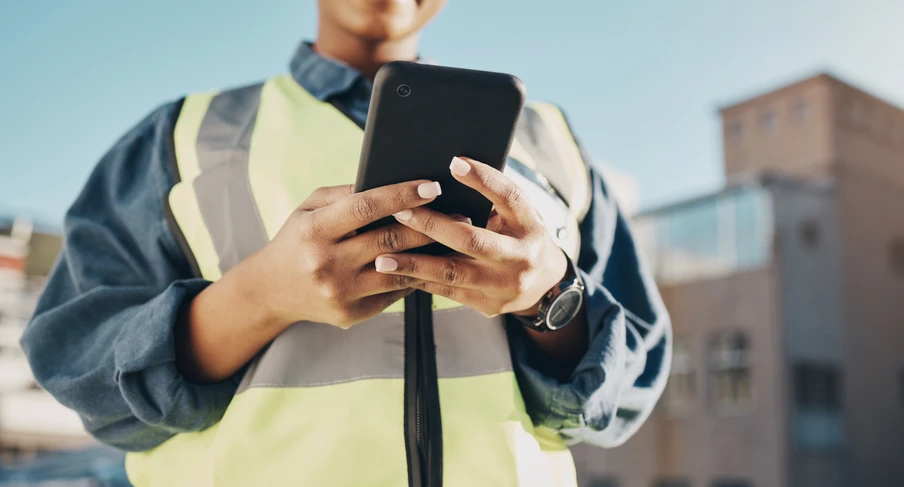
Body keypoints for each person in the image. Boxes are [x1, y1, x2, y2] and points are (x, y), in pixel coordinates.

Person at [21, 1, 671, 486]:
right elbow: (78, 368)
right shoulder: (181, 140)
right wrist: (258, 297)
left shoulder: (550, 143)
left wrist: (550, 296)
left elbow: (628, 385)